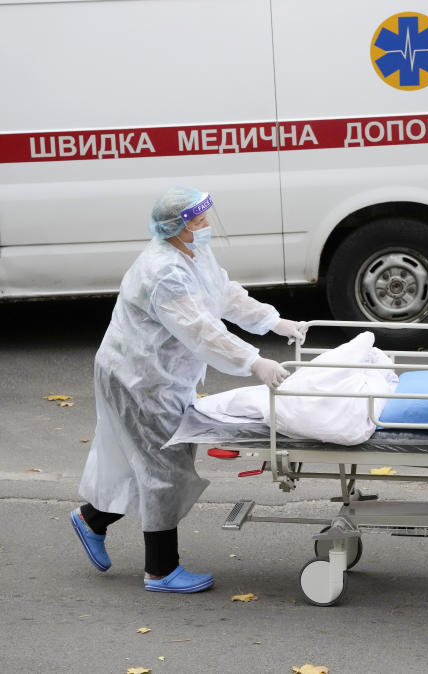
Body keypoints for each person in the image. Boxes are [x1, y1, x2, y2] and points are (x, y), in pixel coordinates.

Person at [70, 187, 306, 592]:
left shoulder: (191, 254)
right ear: (175, 227)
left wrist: (273, 321)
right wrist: (254, 362)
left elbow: (223, 295)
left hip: (158, 374)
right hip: (139, 379)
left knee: (144, 463)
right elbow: (201, 330)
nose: (206, 227)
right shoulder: (163, 271)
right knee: (167, 468)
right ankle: (160, 570)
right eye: (197, 222)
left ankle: (92, 519)